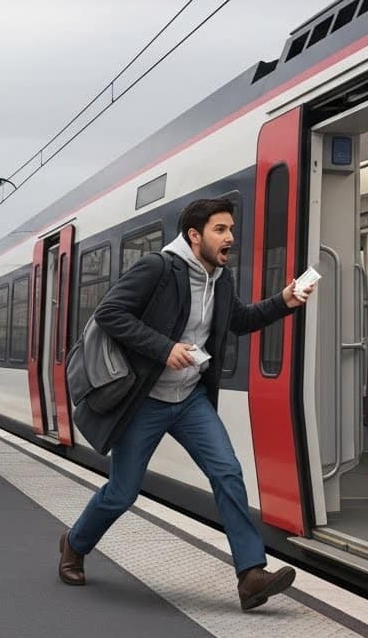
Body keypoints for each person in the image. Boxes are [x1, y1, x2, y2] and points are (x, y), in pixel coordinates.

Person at [57, 197, 314, 611]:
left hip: (190, 397)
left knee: (228, 472)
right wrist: (163, 348)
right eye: (220, 230)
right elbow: (110, 314)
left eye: (231, 229)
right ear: (195, 236)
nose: (230, 237)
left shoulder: (221, 279)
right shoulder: (157, 268)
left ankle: (250, 575)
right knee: (122, 494)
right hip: (147, 401)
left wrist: (283, 300)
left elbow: (239, 321)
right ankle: (74, 543)